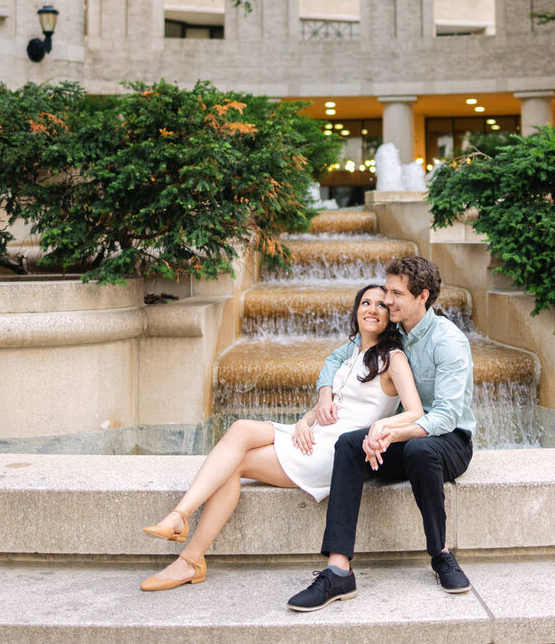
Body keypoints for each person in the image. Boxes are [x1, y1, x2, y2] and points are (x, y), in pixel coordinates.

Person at [139, 283, 423, 592]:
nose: (371, 309)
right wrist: (304, 420)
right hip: (314, 436)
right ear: (356, 312)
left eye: (381, 305)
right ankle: (182, 530)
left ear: (390, 316)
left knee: (235, 463)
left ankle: (188, 549)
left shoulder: (394, 359)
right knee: (239, 431)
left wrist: (379, 429)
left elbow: (416, 412)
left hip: (334, 453)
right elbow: (332, 405)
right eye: (365, 302)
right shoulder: (352, 353)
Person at [286, 255, 475, 612]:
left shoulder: (448, 341)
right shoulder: (394, 330)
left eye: (396, 293)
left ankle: (441, 554)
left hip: (450, 440)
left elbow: (447, 417)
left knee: (422, 452)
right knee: (347, 444)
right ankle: (338, 569)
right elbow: (336, 357)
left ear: (423, 296)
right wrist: (325, 393)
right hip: (397, 433)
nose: (387, 300)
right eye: (386, 290)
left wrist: (390, 433)